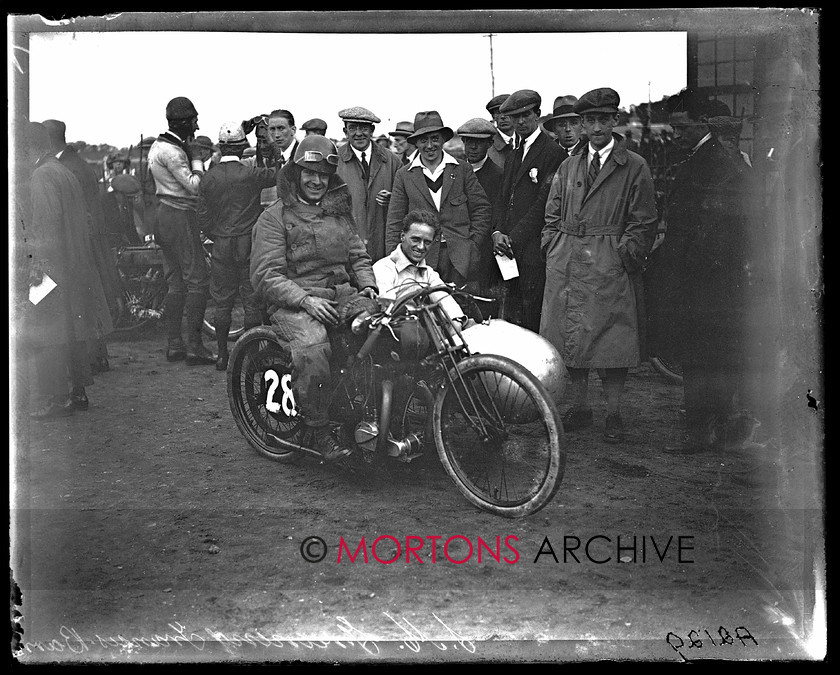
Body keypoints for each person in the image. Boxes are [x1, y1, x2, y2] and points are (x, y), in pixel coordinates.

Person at [250, 135, 379, 462]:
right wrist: (306, 301)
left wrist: (368, 287)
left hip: (341, 295)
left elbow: (359, 256)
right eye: (309, 173)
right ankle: (317, 430)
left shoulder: (338, 212)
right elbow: (266, 275)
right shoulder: (274, 217)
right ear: (296, 173)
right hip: (294, 302)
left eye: (323, 175)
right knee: (314, 348)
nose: (316, 181)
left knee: (384, 329)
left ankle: (374, 416)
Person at [540, 87, 658, 444]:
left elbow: (645, 219)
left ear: (615, 121)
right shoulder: (569, 164)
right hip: (567, 259)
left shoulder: (634, 165)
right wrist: (552, 244)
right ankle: (580, 406)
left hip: (608, 260)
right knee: (570, 334)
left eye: (603, 120)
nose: (595, 128)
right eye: (589, 120)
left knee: (611, 337)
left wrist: (625, 254)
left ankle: (614, 412)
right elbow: (552, 210)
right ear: (582, 124)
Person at [645, 89, 752, 452]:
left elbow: (712, 229)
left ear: (701, 125)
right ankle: (714, 426)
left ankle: (699, 431)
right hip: (715, 279)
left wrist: (686, 271)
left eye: (681, 128)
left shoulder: (708, 162)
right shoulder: (712, 158)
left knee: (702, 356)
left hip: (705, 281)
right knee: (713, 356)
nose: (675, 135)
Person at [23, 122, 112, 419]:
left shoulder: (41, 176)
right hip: (74, 263)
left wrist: (37, 274)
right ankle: (77, 392)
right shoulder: (63, 172)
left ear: (28, 148)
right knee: (73, 331)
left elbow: (45, 230)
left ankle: (56, 400)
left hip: (52, 266)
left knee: (45, 330)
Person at [43, 118, 121, 374]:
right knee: (91, 298)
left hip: (82, 241)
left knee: (86, 300)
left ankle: (94, 357)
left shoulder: (65, 167)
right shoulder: (77, 164)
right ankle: (98, 355)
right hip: (89, 239)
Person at [197, 121, 277, 370]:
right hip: (247, 244)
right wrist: (270, 147)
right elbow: (279, 173)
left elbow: (202, 215)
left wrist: (217, 233)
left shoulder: (208, 178)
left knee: (223, 302)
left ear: (220, 147)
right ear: (243, 147)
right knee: (251, 301)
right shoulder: (251, 175)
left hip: (221, 245)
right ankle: (252, 355)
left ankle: (223, 355)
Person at [384, 110, 492, 293]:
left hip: (460, 259)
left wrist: (472, 244)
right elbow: (395, 220)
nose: (429, 145)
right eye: (423, 140)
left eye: (434, 139)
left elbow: (482, 209)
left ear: (443, 139)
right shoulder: (404, 175)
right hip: (420, 259)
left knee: (462, 311)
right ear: (416, 142)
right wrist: (396, 260)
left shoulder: (461, 169)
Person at [147, 95, 216, 365]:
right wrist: (198, 159)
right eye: (194, 121)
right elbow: (195, 185)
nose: (197, 127)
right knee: (197, 279)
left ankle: (175, 343)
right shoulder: (173, 152)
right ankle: (195, 347)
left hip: (163, 214)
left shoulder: (159, 145)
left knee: (176, 281)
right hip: (179, 214)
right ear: (185, 122)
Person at [491, 89, 564, 332]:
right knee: (513, 314)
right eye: (515, 117)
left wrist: (513, 237)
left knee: (533, 313)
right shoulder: (514, 153)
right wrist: (498, 232)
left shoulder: (553, 153)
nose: (520, 122)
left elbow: (543, 206)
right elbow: (503, 199)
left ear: (538, 115)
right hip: (510, 248)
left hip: (534, 249)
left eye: (526, 115)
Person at [373, 209, 468, 324]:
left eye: (427, 242)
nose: (421, 247)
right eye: (415, 239)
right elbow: (388, 308)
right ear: (403, 236)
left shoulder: (428, 273)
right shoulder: (384, 268)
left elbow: (444, 298)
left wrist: (457, 320)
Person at [336, 106, 402, 262]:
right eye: (352, 128)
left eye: (364, 128)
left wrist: (393, 198)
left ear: (372, 131)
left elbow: (405, 199)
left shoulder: (392, 161)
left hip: (384, 246)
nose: (358, 133)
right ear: (345, 132)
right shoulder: (334, 161)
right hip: (346, 247)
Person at [456, 117, 504, 298]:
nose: (473, 148)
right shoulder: (454, 170)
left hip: (483, 251)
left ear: (490, 144)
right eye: (468, 142)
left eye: (479, 143)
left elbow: (496, 214)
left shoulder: (498, 176)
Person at [485, 93, 515, 169]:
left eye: (507, 112)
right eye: (498, 112)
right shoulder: (487, 146)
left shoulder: (526, 141)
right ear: (493, 117)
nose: (503, 117)